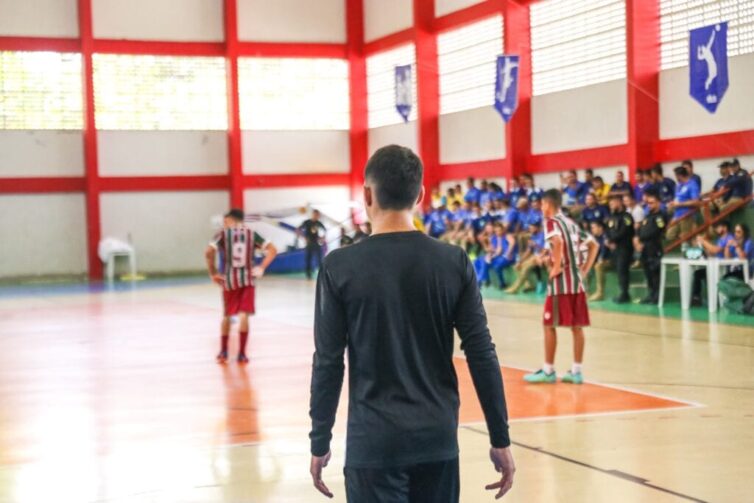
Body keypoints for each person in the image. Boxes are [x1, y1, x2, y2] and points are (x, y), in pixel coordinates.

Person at [308, 145, 515, 502]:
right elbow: (481, 352)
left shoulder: (338, 267)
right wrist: (500, 437)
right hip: (436, 440)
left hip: (372, 443)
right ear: (420, 195)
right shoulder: (454, 262)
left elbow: (328, 360)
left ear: (367, 195)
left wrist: (320, 439)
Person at [523, 189, 598, 385]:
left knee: (549, 325)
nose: (540, 208)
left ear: (548, 204)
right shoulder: (571, 223)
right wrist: (585, 269)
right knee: (576, 327)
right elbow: (594, 245)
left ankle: (548, 371)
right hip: (577, 283)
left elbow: (557, 242)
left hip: (561, 284)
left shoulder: (551, 222)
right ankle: (576, 371)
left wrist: (555, 267)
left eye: (541, 204)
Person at [205, 209, 278, 364]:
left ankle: (223, 352)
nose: (225, 225)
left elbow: (208, 252)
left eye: (226, 222)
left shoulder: (223, 235)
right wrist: (262, 267)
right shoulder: (252, 234)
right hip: (248, 280)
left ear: (232, 220)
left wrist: (213, 273)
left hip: (229, 280)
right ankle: (242, 354)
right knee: (244, 315)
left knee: (227, 316)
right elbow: (273, 250)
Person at [634, 189, 668, 304]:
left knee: (655, 273)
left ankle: (657, 296)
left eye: (652, 202)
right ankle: (650, 294)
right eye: (648, 203)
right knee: (647, 272)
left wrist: (641, 238)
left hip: (654, 248)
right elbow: (640, 229)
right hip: (644, 249)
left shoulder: (660, 216)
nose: (649, 205)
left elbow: (656, 231)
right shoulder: (647, 216)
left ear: (658, 202)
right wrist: (637, 239)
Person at [691, 221, 733, 306]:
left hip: (725, 268)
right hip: (716, 266)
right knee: (698, 274)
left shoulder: (729, 238)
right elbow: (712, 252)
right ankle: (696, 297)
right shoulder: (720, 239)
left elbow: (715, 250)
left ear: (725, 228)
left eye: (718, 227)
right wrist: (701, 245)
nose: (716, 229)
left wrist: (703, 241)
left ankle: (715, 298)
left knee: (705, 274)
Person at [604, 195, 634, 303]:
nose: (611, 205)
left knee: (623, 270)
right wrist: (608, 240)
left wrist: (612, 240)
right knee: (618, 271)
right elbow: (607, 230)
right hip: (614, 249)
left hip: (624, 247)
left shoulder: (627, 217)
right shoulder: (611, 217)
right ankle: (622, 292)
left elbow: (624, 232)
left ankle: (625, 294)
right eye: (610, 203)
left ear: (620, 202)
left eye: (613, 203)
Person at [505, 221, 546, 294]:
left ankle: (515, 289)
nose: (530, 230)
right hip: (533, 256)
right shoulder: (533, 236)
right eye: (529, 228)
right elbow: (528, 251)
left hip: (541, 256)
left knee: (525, 268)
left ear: (537, 228)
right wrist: (520, 261)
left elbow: (545, 250)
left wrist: (535, 245)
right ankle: (528, 284)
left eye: (532, 228)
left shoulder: (543, 235)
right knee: (517, 266)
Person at [666, 166, 700, 243]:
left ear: (680, 175)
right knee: (669, 235)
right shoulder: (678, 185)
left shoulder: (692, 184)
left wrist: (680, 204)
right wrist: (673, 203)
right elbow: (677, 198)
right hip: (676, 214)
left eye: (676, 175)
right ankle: (685, 239)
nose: (675, 177)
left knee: (686, 236)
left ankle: (690, 244)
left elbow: (696, 201)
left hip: (687, 214)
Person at [587, 221, 612, 301]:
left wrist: (600, 259)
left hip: (611, 260)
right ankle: (586, 292)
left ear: (600, 228)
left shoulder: (606, 236)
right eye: (591, 228)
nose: (592, 230)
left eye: (594, 227)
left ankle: (600, 293)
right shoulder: (595, 238)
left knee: (598, 266)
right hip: (601, 260)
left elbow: (604, 251)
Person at [299, 210, 327, 279]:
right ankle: (308, 274)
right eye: (315, 215)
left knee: (319, 259)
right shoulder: (307, 222)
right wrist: (304, 238)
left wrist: (322, 238)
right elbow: (298, 229)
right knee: (308, 259)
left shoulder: (319, 223)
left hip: (316, 242)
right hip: (309, 243)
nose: (316, 216)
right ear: (312, 214)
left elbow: (325, 231)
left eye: (317, 215)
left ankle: (322, 274)